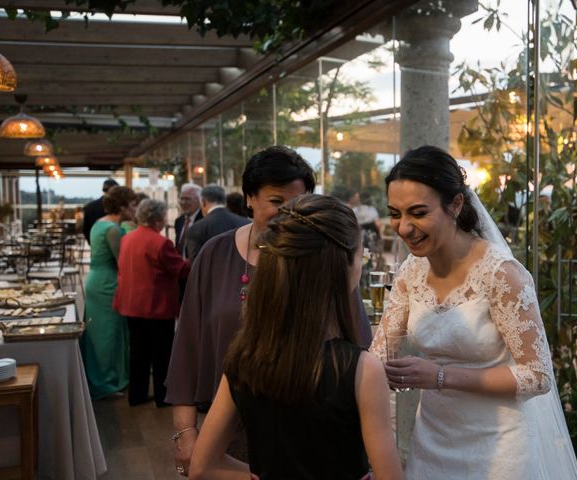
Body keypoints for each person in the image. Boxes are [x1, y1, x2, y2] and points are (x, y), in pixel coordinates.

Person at [371, 146, 577, 479]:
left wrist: (438, 375)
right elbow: (381, 351)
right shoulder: (410, 273)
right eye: (395, 213)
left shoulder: (502, 275)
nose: (404, 227)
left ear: (455, 205)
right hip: (433, 443)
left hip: (500, 448)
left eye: (418, 213)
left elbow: (537, 376)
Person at [166, 146, 373, 477]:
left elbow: (357, 341)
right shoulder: (214, 255)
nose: (288, 214)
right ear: (249, 197)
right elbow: (188, 346)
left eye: (297, 203)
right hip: (227, 431)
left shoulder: (323, 262)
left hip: (313, 432)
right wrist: (186, 431)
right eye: (277, 202)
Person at [190, 194, 402, 480]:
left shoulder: (244, 359)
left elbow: (202, 467)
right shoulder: (361, 370)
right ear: (343, 265)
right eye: (360, 256)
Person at [113, 199, 190, 407]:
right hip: (155, 305)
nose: (165, 220)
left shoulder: (127, 238)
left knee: (138, 351)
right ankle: (162, 396)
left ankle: (136, 395)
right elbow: (180, 269)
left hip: (131, 304)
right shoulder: (160, 242)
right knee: (161, 353)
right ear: (157, 219)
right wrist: (199, 260)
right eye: (164, 216)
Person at [80, 185, 137, 399]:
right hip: (107, 283)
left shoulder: (99, 223)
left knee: (100, 331)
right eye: (132, 205)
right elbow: (122, 260)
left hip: (96, 279)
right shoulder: (113, 229)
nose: (135, 208)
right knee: (107, 334)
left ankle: (103, 377)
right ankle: (106, 382)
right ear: (122, 207)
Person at [185, 184, 250, 262]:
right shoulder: (246, 223)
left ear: (203, 202)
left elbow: (195, 264)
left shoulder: (196, 228)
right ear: (224, 201)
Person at [82, 178, 119, 244]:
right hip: (111, 242)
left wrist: (91, 243)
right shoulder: (116, 206)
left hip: (94, 242)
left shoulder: (89, 207)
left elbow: (85, 229)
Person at [175, 183, 203, 258]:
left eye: (187, 199)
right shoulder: (179, 221)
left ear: (199, 201)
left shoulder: (204, 222)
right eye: (181, 199)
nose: (183, 202)